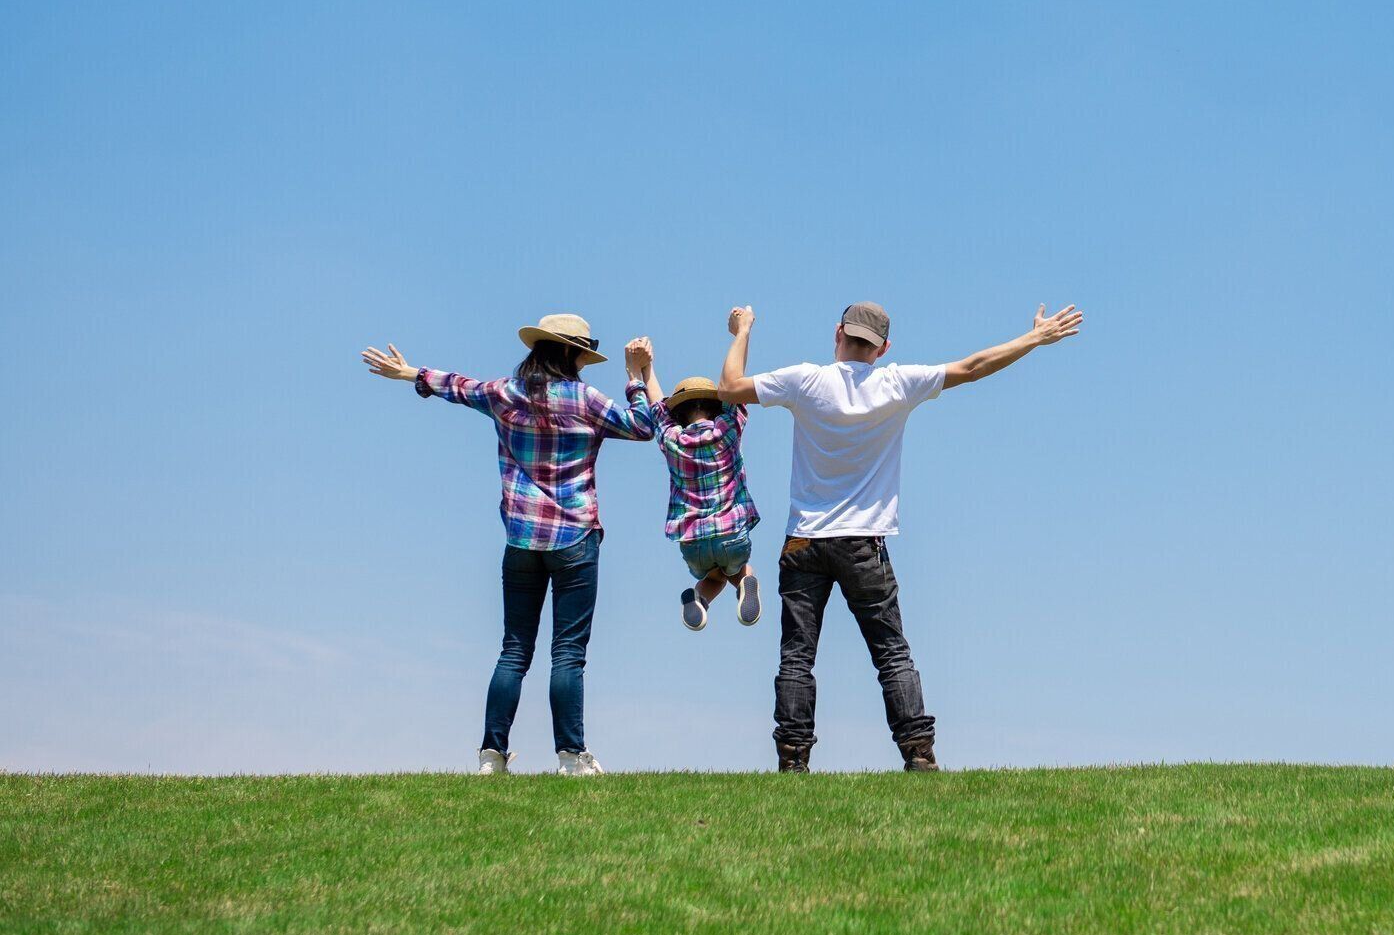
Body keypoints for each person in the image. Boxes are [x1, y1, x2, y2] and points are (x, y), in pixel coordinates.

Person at [715, 299, 1085, 773]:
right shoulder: (896, 383)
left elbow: (728, 389)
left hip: (804, 540)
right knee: (892, 653)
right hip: (864, 545)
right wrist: (1034, 338)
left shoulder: (806, 380)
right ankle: (919, 755)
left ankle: (792, 760)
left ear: (837, 334)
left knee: (796, 658)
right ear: (883, 348)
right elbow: (973, 368)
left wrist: (742, 331)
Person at [359, 314, 657, 776]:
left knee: (514, 650)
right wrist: (637, 378)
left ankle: (491, 756)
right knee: (568, 652)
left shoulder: (505, 394)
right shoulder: (586, 399)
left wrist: (411, 374)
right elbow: (642, 427)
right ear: (572, 353)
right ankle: (572, 757)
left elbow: (459, 386)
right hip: (576, 537)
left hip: (520, 539)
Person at [637, 314, 762, 634]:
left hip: (692, 543)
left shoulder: (671, 440)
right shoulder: (727, 429)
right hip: (731, 533)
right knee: (738, 569)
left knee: (713, 576)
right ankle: (745, 582)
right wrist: (742, 332)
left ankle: (699, 600)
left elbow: (656, 407)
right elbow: (736, 382)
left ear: (677, 413)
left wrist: (643, 369)